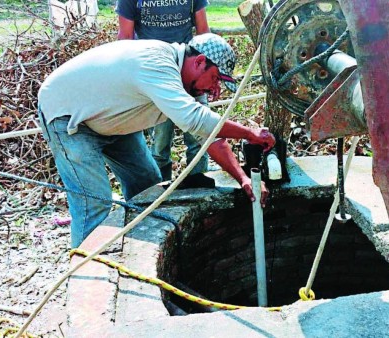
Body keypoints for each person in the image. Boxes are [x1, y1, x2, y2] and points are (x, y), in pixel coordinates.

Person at [37, 33, 275, 248]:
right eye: (214, 79)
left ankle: (136, 253)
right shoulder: (157, 63)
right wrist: (250, 133)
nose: (215, 89)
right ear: (199, 62)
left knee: (147, 184)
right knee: (94, 204)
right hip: (68, 115)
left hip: (110, 116)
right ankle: (88, 280)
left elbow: (212, 137)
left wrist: (243, 179)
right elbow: (195, 120)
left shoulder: (191, 85)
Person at [116, 0, 215, 186]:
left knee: (200, 137)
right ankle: (162, 193)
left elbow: (204, 32)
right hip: (154, 74)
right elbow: (125, 38)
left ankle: (199, 189)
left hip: (191, 69)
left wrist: (210, 73)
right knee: (161, 142)